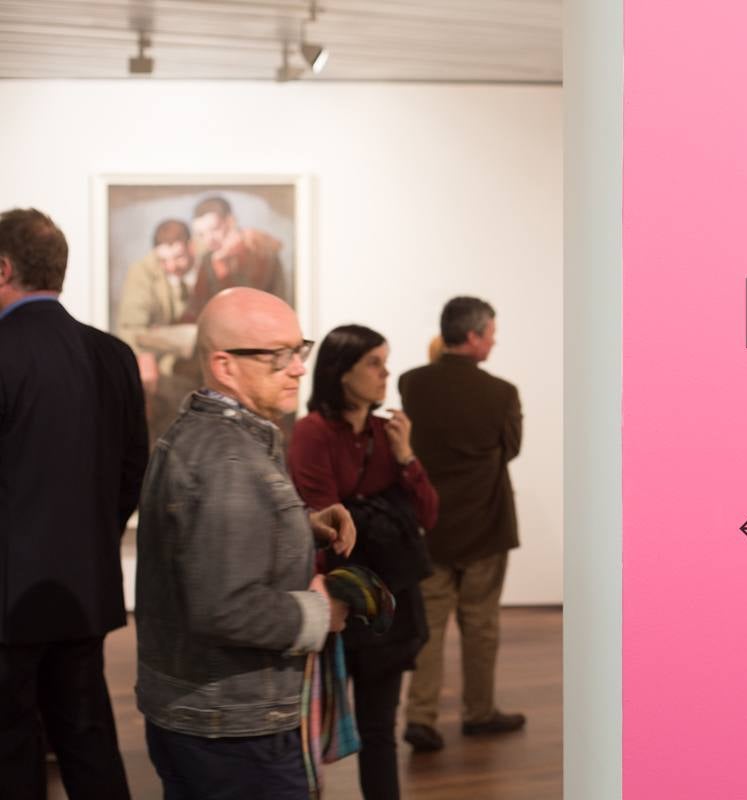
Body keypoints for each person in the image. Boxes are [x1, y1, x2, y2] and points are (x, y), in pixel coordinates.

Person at [135, 287, 354, 799]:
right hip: (233, 727)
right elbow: (224, 608)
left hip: (211, 716)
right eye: (278, 356)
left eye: (298, 349)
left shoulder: (212, 435)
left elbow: (211, 543)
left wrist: (301, 524)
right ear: (224, 366)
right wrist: (321, 611)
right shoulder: (227, 461)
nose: (298, 368)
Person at [0, 207, 148, 800]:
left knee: (11, 748)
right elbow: (133, 470)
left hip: (7, 601)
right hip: (85, 587)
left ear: (2, 268)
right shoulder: (113, 354)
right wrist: (95, 538)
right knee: (88, 739)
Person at [289, 324, 439, 800]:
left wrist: (406, 456)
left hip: (384, 600)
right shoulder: (312, 433)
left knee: (379, 729)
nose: (385, 373)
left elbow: (428, 514)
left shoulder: (386, 432)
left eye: (385, 362)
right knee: (311, 729)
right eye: (374, 363)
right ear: (341, 371)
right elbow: (330, 526)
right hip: (335, 600)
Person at [399, 296, 525, 752]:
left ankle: (421, 716)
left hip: (430, 525)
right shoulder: (502, 393)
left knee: (429, 625)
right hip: (485, 524)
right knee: (481, 624)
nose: (493, 341)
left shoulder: (411, 383)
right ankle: (479, 711)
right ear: (472, 336)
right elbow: (511, 449)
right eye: (491, 333)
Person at [113, 218, 201, 443]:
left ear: (191, 247)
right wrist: (144, 354)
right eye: (163, 260)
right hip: (165, 366)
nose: (171, 267)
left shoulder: (210, 264)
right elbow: (131, 327)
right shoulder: (142, 272)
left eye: (179, 257)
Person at [182, 195, 287, 320]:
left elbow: (250, 302)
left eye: (214, 229)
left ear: (231, 221)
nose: (209, 239)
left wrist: (221, 264)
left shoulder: (259, 249)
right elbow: (197, 305)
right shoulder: (208, 259)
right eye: (202, 234)